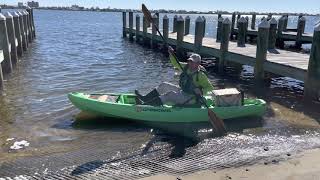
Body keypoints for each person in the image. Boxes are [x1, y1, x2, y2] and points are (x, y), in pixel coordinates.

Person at [135, 46, 214, 106]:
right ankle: (145, 99)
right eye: (189, 61)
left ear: (198, 63)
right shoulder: (186, 67)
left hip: (191, 98)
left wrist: (202, 91)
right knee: (164, 85)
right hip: (183, 91)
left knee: (170, 94)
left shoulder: (201, 75)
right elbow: (175, 63)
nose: (190, 63)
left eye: (192, 62)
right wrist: (171, 54)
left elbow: (210, 88)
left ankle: (145, 106)